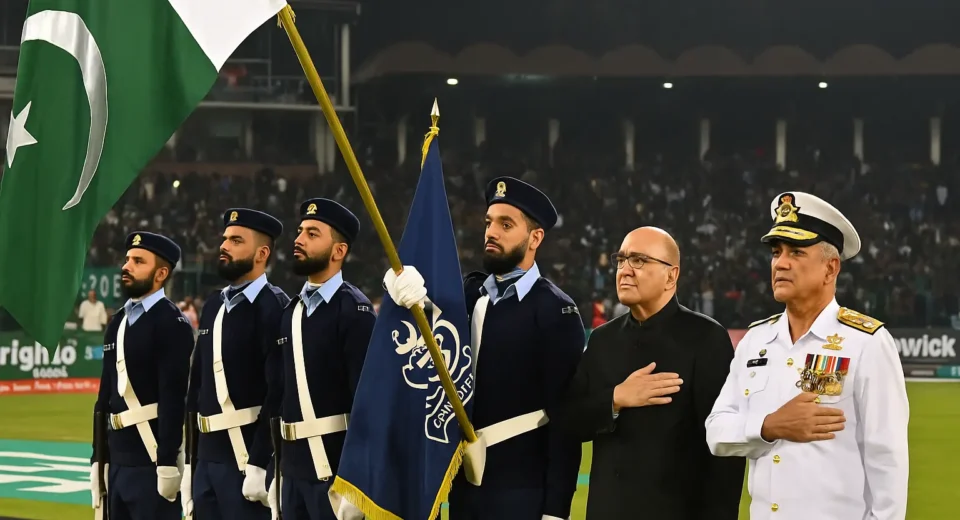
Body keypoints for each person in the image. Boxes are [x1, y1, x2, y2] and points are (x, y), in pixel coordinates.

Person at [383, 177, 584, 520]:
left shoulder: (556, 310)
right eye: (489, 222)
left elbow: (566, 421)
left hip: (522, 490)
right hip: (463, 486)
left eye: (506, 224)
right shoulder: (468, 294)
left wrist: (556, 511)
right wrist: (401, 288)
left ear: (535, 238)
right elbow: (422, 316)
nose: (492, 232)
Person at [705, 191, 909, 520]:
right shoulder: (756, 340)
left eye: (796, 252)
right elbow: (716, 432)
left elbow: (887, 459)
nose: (780, 262)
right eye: (776, 252)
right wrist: (770, 426)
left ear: (831, 268)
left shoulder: (866, 343)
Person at [556, 227, 744, 519]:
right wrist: (616, 399)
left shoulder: (706, 338)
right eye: (621, 260)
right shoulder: (603, 340)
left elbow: (724, 453)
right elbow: (568, 420)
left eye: (639, 261)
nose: (624, 270)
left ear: (671, 275)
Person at [267, 198, 375, 520]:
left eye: (312, 234)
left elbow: (366, 405)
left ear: (338, 251)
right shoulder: (291, 312)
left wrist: (360, 481)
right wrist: (275, 469)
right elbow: (281, 396)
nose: (298, 239)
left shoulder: (354, 311)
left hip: (334, 474)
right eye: (300, 231)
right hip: (292, 471)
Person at [182, 209, 290, 520]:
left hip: (245, 463)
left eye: (236, 240)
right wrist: (190, 462)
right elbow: (197, 387)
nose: (224, 246)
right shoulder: (213, 304)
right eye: (225, 238)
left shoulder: (275, 307)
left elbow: (279, 393)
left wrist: (259, 462)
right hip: (206, 461)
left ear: (262, 253)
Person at [90, 231, 194, 520]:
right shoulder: (117, 322)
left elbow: (173, 399)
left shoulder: (172, 323)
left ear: (161, 273)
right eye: (127, 259)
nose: (126, 266)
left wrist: (167, 464)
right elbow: (104, 399)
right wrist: (97, 458)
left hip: (151, 463)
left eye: (138, 261)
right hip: (116, 463)